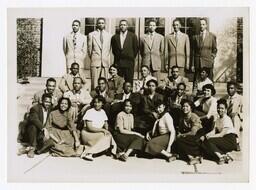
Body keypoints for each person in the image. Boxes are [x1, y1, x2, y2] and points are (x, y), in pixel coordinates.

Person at [80, 95, 117, 161]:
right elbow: (89, 127)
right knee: (105, 136)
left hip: (97, 132)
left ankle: (114, 151)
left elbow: (106, 124)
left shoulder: (103, 112)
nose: (97, 104)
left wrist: (107, 131)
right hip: (87, 133)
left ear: (102, 103)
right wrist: (103, 130)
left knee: (108, 136)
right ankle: (89, 153)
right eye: (95, 102)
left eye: (99, 102)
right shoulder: (90, 111)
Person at [201, 99, 237, 164]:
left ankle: (220, 156)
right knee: (205, 143)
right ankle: (226, 155)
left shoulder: (227, 119)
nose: (220, 110)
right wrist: (205, 136)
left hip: (230, 140)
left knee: (209, 141)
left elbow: (221, 134)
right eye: (218, 108)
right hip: (223, 139)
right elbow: (214, 131)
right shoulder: (218, 118)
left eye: (222, 108)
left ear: (226, 109)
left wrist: (210, 137)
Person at [17, 94, 53, 158]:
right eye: (46, 101)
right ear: (42, 101)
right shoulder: (35, 108)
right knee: (32, 125)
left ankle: (29, 149)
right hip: (32, 133)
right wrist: (43, 128)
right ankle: (32, 147)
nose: (48, 104)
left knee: (51, 143)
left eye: (49, 102)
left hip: (41, 134)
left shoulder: (50, 108)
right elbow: (34, 119)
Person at [173, 99, 203, 165]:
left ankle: (191, 157)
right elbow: (180, 129)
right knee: (177, 141)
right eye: (183, 106)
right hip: (188, 137)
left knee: (180, 140)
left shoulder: (194, 116)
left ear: (191, 108)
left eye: (187, 106)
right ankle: (195, 157)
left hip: (197, 137)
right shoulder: (182, 117)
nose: (184, 108)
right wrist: (179, 134)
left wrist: (181, 135)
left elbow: (193, 132)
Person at [88, 18, 112, 90]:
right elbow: (89, 50)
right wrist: (94, 58)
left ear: (105, 24)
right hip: (95, 62)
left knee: (104, 83)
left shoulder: (109, 35)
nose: (101, 24)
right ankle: (94, 97)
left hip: (105, 63)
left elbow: (109, 49)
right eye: (99, 23)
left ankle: (104, 98)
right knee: (95, 83)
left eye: (102, 23)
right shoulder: (91, 34)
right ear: (97, 24)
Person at [223, 81, 243, 150]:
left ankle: (237, 143)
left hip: (236, 117)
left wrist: (237, 114)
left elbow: (244, 111)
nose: (229, 90)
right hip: (226, 116)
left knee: (235, 119)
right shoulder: (225, 98)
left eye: (232, 88)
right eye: (228, 88)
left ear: (236, 89)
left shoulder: (240, 98)